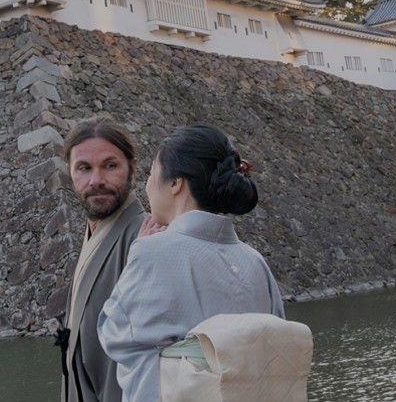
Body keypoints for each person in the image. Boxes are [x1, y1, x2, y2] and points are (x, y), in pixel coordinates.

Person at [98, 124, 284, 402]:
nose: (148, 185)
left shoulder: (153, 252)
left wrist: (139, 253)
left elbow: (113, 333)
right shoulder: (255, 262)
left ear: (176, 183)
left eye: (152, 173)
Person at [59, 118, 158, 402]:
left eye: (110, 165)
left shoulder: (145, 238)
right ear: (70, 173)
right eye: (84, 168)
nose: (96, 180)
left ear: (132, 169)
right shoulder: (94, 232)